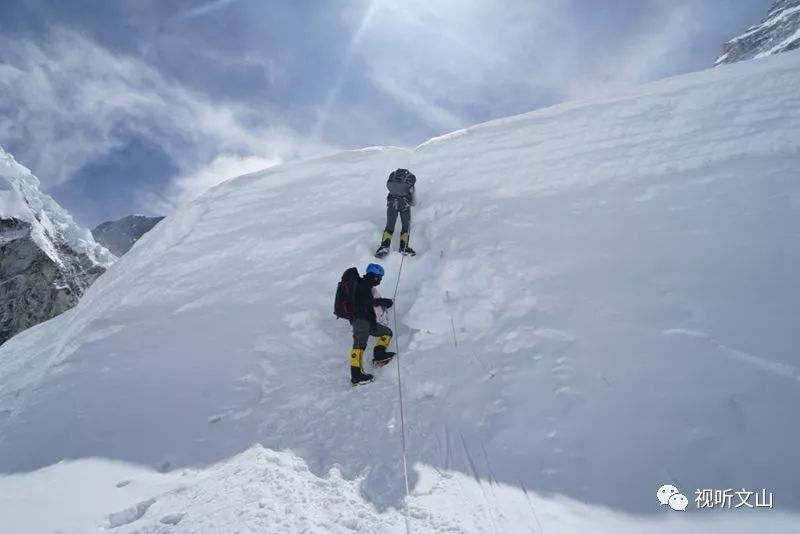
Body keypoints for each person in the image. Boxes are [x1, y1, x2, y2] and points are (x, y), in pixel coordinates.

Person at [349, 263, 395, 385]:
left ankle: (379, 356)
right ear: (374, 276)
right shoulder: (362, 284)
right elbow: (366, 302)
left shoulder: (366, 286)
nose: (380, 280)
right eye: (380, 277)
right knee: (359, 345)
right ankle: (356, 375)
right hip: (360, 319)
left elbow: (368, 303)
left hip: (368, 321)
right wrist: (383, 301)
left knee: (387, 333)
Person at [375, 168, 416, 257]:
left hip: (392, 203)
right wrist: (412, 202)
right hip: (404, 204)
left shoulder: (392, 176)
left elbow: (387, 185)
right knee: (405, 227)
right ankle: (404, 247)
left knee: (389, 226)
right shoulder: (410, 178)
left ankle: (384, 246)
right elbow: (412, 192)